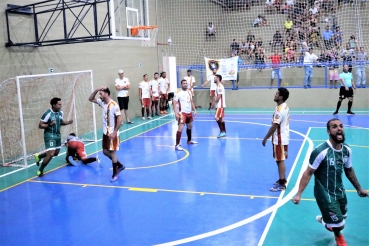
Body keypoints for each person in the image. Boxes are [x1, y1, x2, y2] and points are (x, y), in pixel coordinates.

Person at [292, 118, 368, 246]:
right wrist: (299, 193)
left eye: (341, 126)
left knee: (343, 217)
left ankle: (325, 220)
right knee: (340, 224)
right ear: (328, 131)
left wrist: (359, 188)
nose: (339, 128)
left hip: (339, 190)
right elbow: (308, 172)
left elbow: (349, 170)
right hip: (324, 193)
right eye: (334, 126)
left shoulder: (347, 150)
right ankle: (338, 237)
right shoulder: (320, 151)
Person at [88, 87, 125, 182]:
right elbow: (90, 99)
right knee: (105, 152)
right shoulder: (102, 102)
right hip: (105, 133)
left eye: (101, 93)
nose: (100, 95)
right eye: (99, 94)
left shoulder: (114, 105)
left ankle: (115, 173)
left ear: (106, 94)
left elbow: (120, 119)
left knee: (112, 153)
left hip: (112, 133)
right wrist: (96, 90)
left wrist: (115, 132)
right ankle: (120, 165)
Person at [34, 97, 74, 177]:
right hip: (49, 135)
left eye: (61, 104)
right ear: (54, 105)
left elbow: (61, 122)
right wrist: (49, 125)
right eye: (59, 104)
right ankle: (40, 171)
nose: (60, 106)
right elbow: (40, 125)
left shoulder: (60, 113)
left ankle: (39, 156)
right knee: (51, 154)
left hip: (58, 135)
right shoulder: (48, 113)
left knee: (55, 153)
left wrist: (68, 122)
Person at [262, 87, 290, 191]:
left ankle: (282, 184)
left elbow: (274, 126)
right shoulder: (284, 106)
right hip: (283, 137)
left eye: (277, 94)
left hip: (279, 139)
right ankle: (282, 179)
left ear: (281, 97)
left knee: (280, 160)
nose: (275, 95)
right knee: (280, 159)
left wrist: (265, 138)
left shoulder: (279, 110)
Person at [173, 79, 198, 151]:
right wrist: (176, 113)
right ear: (181, 85)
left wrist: (194, 110)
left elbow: (191, 101)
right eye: (184, 83)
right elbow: (174, 102)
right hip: (182, 113)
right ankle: (177, 145)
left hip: (189, 112)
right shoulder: (178, 93)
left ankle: (189, 140)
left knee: (190, 126)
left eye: (186, 83)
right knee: (180, 128)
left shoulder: (189, 92)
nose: (185, 84)